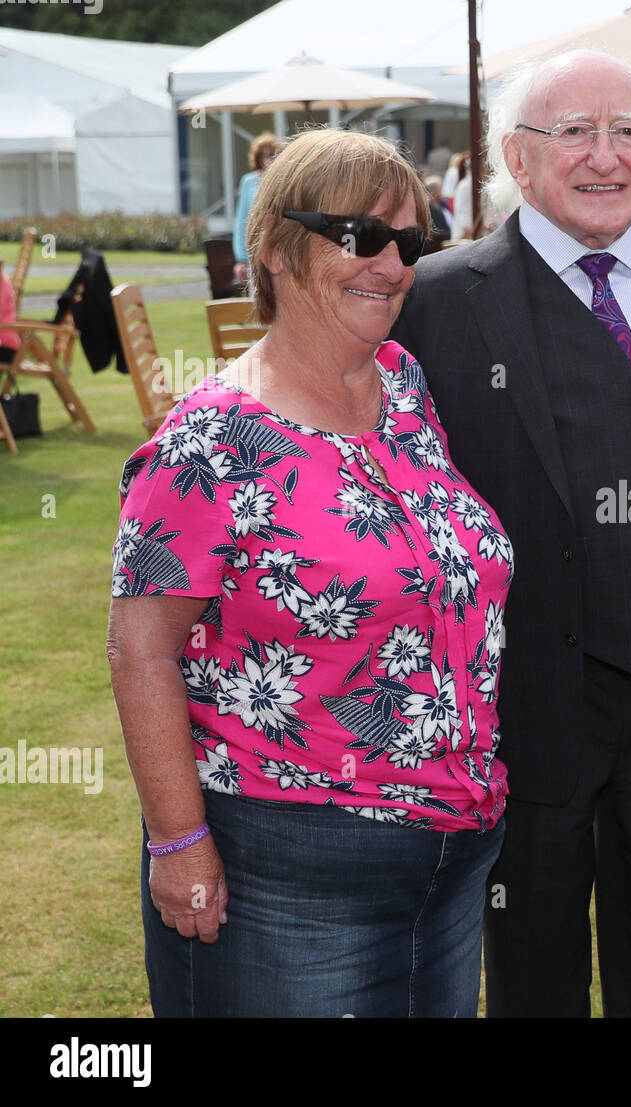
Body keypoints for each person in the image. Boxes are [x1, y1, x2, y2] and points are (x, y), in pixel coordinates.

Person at [106, 128, 513, 1017]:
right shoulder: (210, 442)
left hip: (450, 857)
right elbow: (141, 653)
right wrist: (179, 843)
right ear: (277, 250)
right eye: (359, 236)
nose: (392, 264)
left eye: (410, 240)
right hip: (289, 871)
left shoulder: (402, 384)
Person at [390, 49, 631, 1018]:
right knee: (532, 969)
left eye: (627, 131)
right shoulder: (435, 298)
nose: (604, 156)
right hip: (524, 706)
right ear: (516, 153)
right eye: (574, 132)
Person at [232, 132, 283, 286]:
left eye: (276, 154)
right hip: (255, 251)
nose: (272, 159)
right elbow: (242, 221)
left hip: (278, 249)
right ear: (259, 158)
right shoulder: (249, 182)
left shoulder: (283, 181)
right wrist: (241, 259)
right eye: (268, 155)